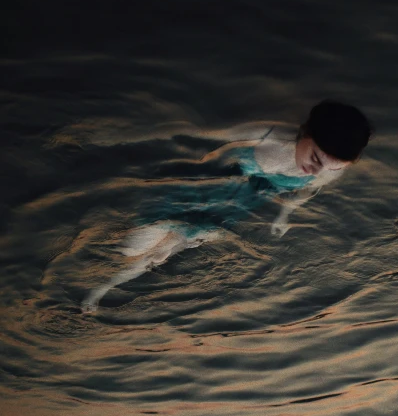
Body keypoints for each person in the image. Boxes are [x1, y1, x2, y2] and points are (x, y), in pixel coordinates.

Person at [81, 100, 372, 312]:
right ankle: (91, 272)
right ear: (305, 134)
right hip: (204, 185)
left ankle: (98, 291)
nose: (315, 172)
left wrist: (284, 216)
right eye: (316, 159)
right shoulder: (266, 136)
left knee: (165, 251)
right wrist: (117, 138)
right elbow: (189, 133)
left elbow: (306, 192)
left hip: (237, 204)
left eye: (331, 168)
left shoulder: (331, 170)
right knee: (136, 244)